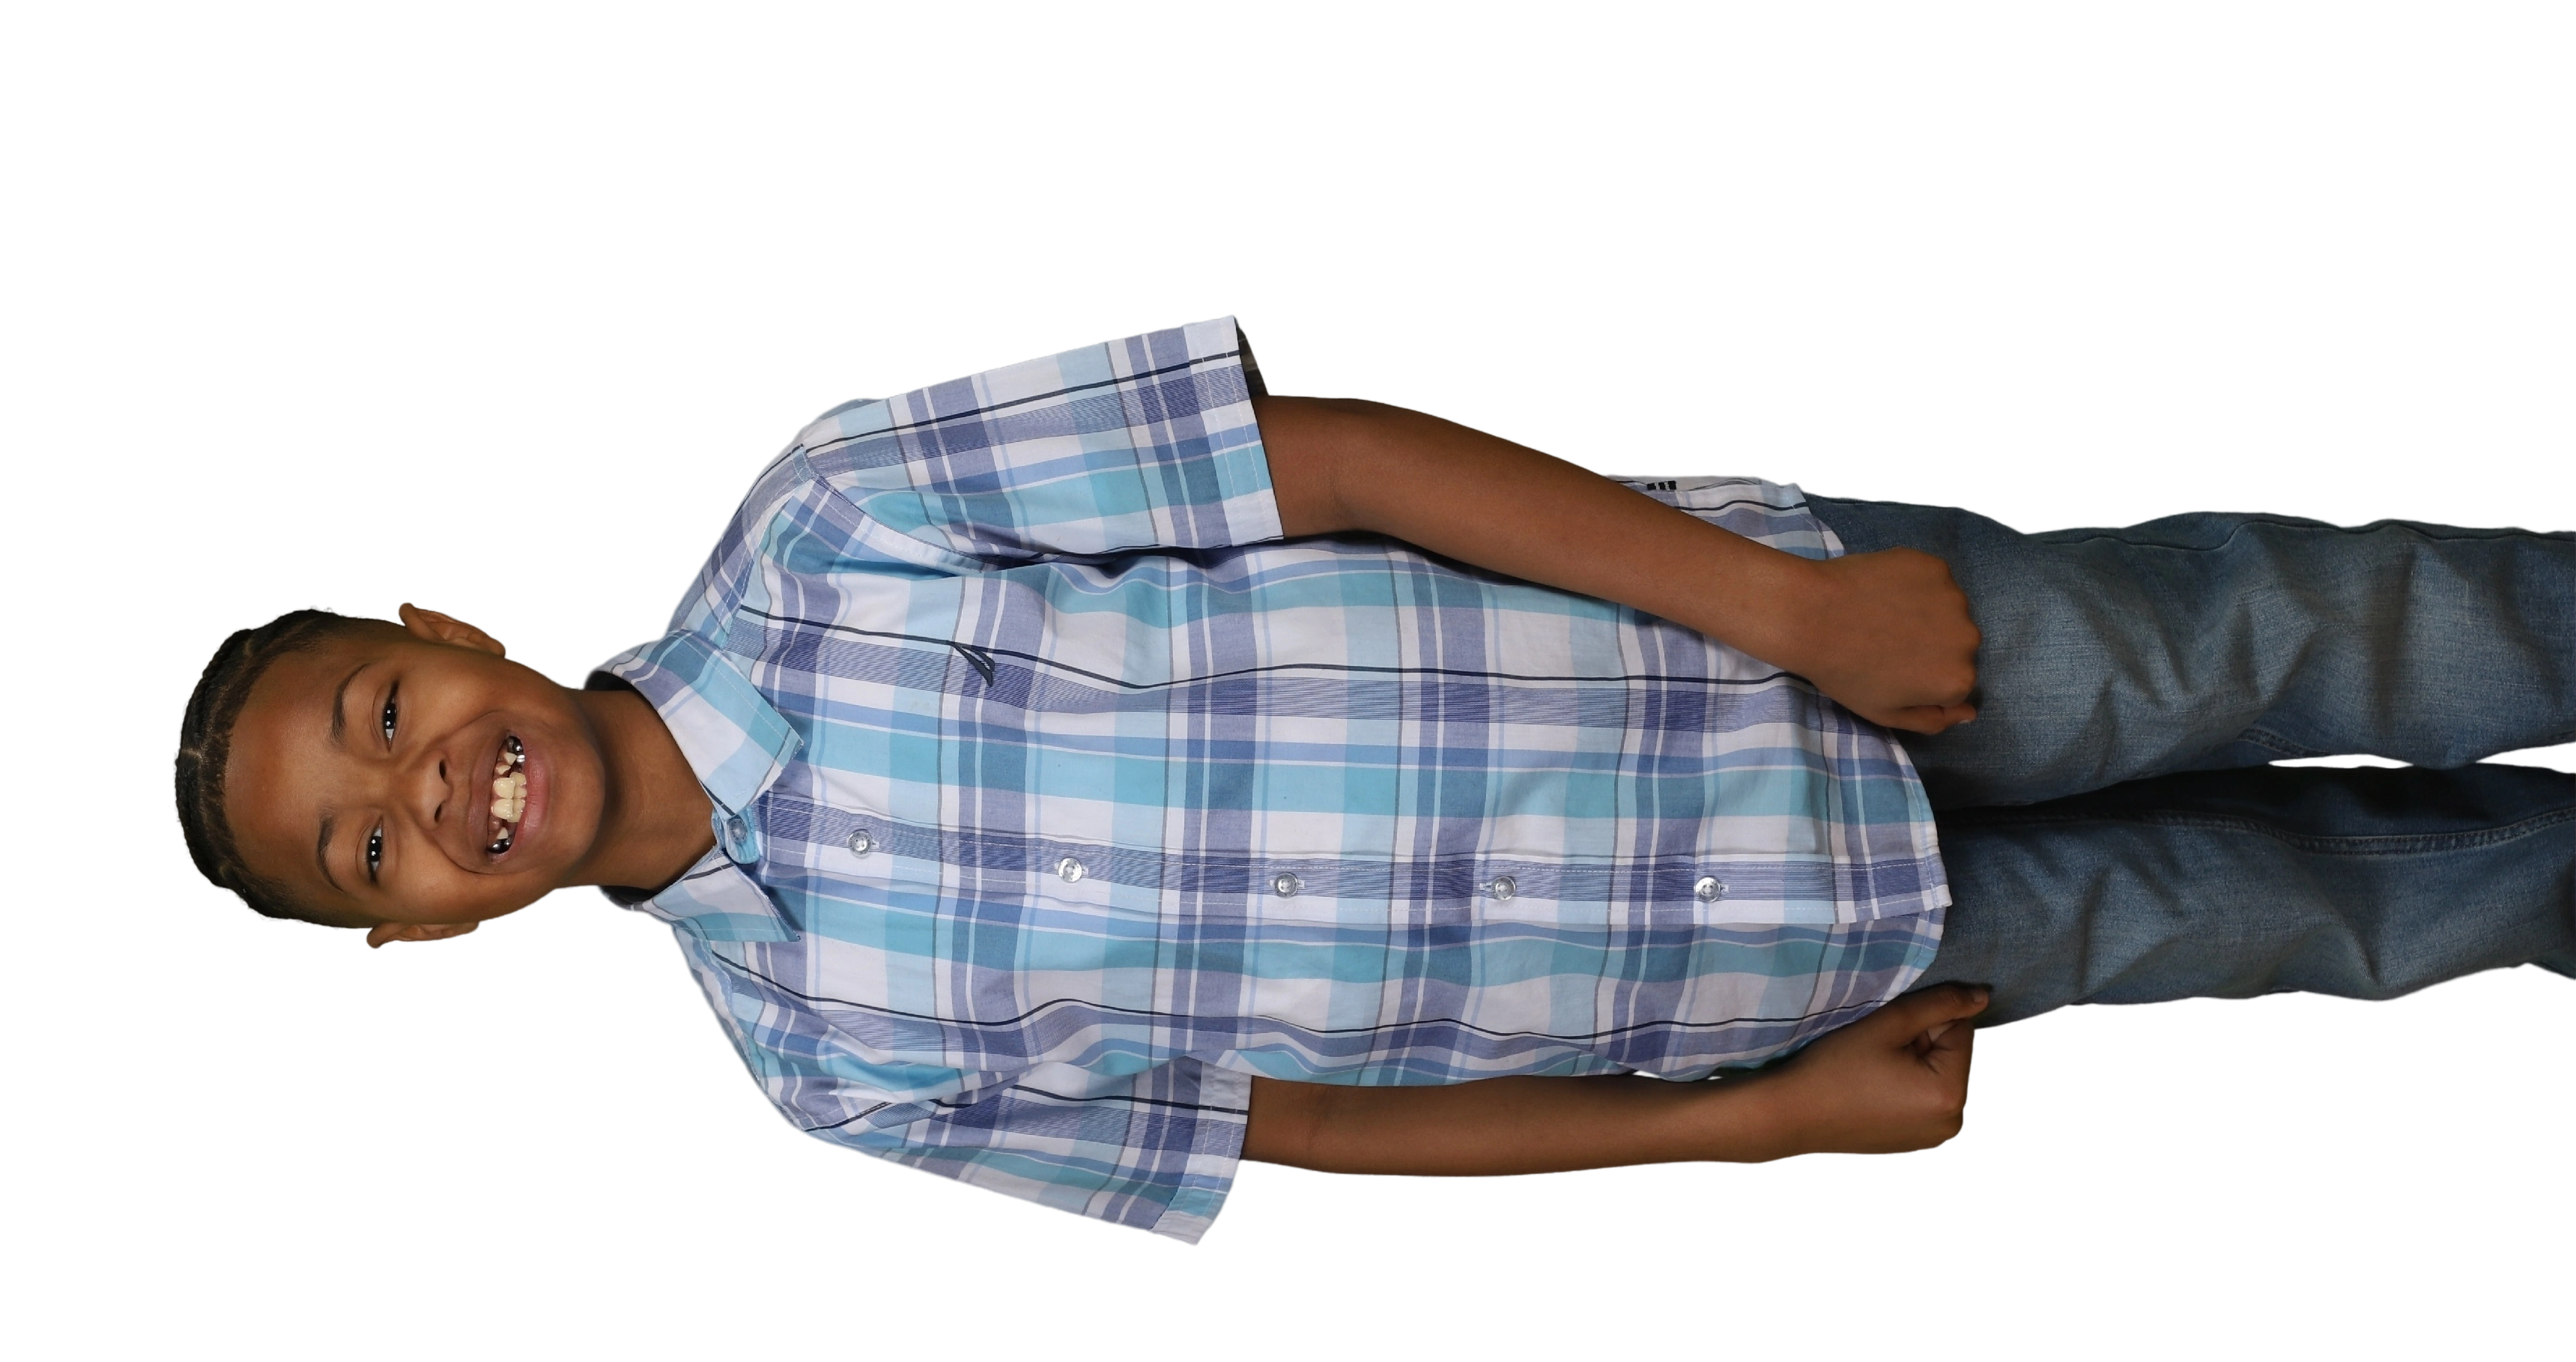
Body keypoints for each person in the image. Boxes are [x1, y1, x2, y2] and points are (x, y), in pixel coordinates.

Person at [167, 312, 2576, 1247]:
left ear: (440, 628)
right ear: (415, 932)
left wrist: (1788, 613)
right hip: (1795, 969)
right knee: (2329, 916)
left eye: (378, 710)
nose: (428, 791)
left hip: (1808, 655)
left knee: (2311, 633)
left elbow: (1317, 460)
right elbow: (1305, 1131)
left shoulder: (838, 516)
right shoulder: (834, 1065)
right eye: (361, 848)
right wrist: (1758, 1123)